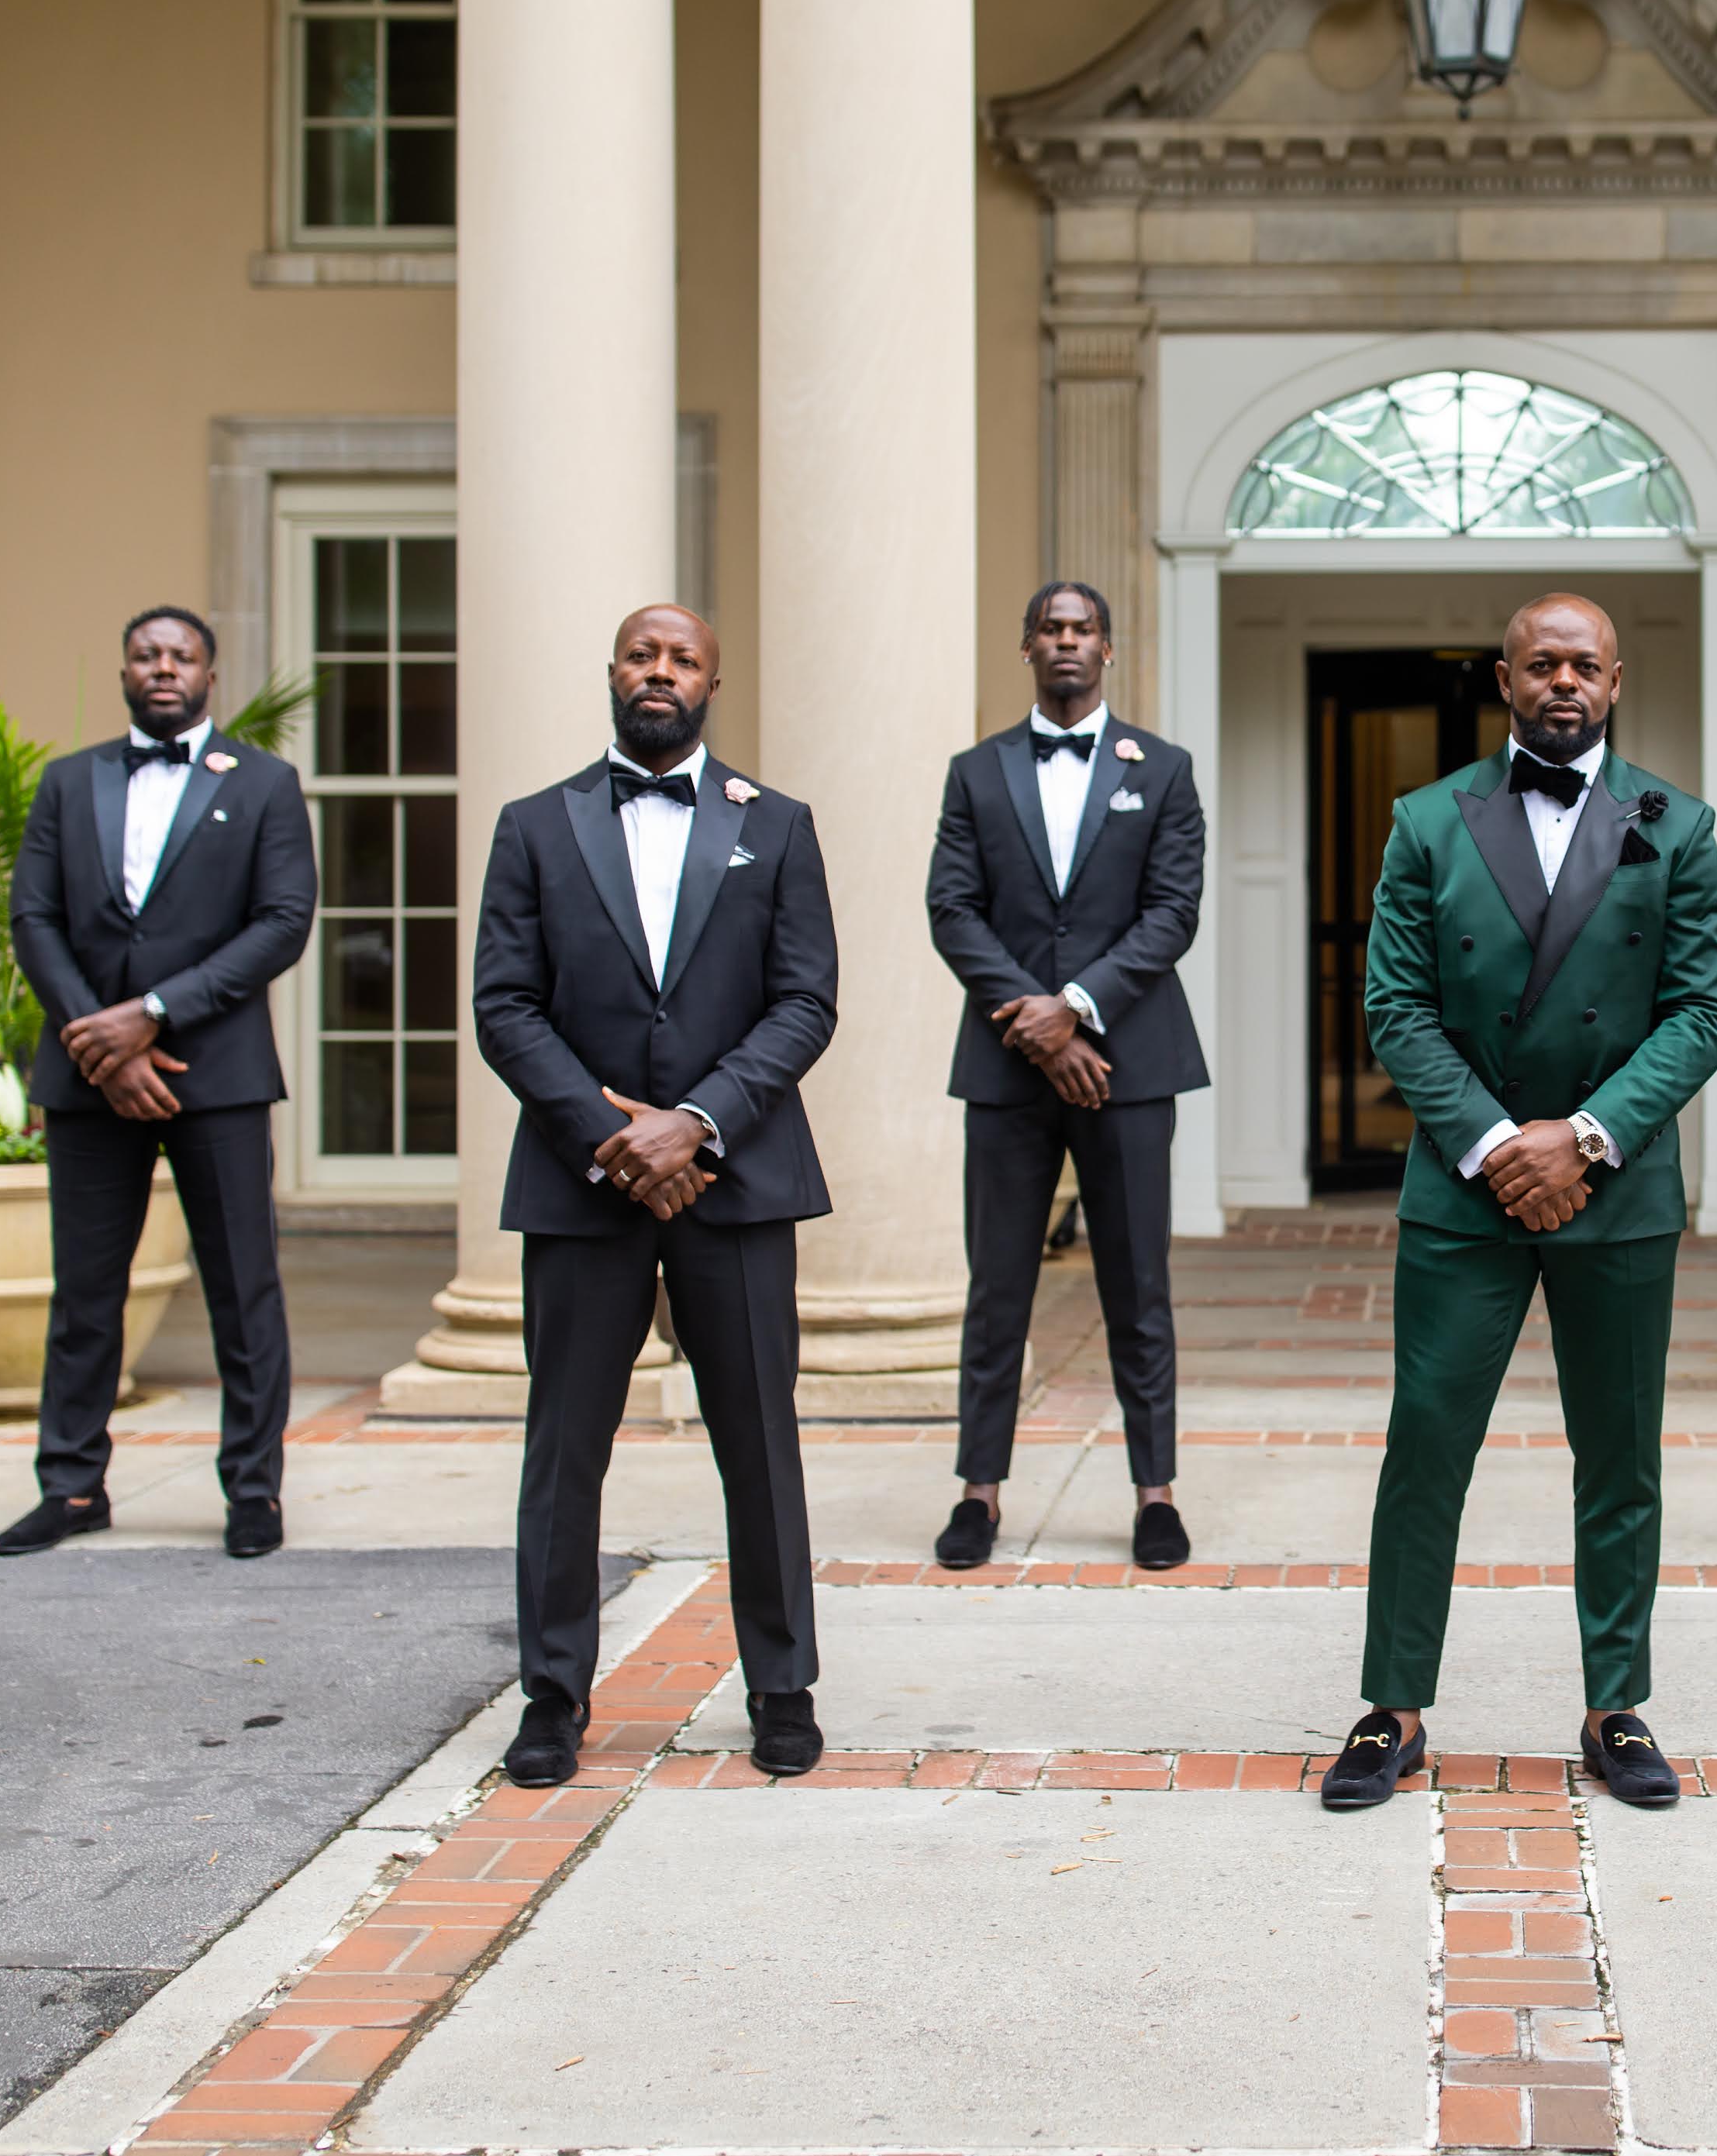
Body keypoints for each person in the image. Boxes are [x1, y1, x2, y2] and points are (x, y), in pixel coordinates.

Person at [1319, 594, 1717, 1814]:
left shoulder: (1680, 825)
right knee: (1425, 1448)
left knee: (1619, 1459)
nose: (1564, 682)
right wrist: (1502, 1144)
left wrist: (1587, 1138)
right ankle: (1390, 1708)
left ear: (1617, 680)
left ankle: (1617, 1705)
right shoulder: (1426, 821)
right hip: (1466, 1191)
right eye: (1540, 664)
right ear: (1503, 680)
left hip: (1616, 1192)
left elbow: (1701, 1010)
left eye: (1584, 666)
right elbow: (1393, 1004)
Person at [472, 604, 840, 1788]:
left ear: (713, 681)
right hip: (585, 1190)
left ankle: (782, 1687)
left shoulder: (776, 828)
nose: (660, 672)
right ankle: (552, 1695)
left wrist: (698, 1123)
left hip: (735, 1183)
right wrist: (610, 1130)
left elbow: (804, 1000)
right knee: (563, 1452)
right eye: (643, 653)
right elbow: (505, 1003)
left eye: (682, 658)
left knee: (761, 1447)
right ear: (614, 672)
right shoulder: (534, 826)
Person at [0, 608, 315, 1561]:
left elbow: (282, 921)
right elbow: (33, 917)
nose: (163, 668)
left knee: (242, 1287)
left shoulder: (263, 784)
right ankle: (71, 1486)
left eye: (181, 655)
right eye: (146, 654)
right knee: (86, 1290)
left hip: (215, 1073)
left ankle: (253, 1490)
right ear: (125, 669)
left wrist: (156, 1014)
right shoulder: (68, 780)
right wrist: (105, 1040)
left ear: (210, 673)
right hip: (89, 1075)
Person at [924, 580, 1208, 1571]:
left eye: (1082, 628)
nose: (1066, 642)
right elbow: (952, 910)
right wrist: (1039, 1027)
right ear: (1027, 645)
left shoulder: (1161, 770)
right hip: (1007, 1071)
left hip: (1129, 1065)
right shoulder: (976, 772)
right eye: (1049, 627)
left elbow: (1172, 912)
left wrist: (1078, 1006)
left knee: (1138, 1286)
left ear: (1108, 648)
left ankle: (1154, 1492)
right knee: (996, 1287)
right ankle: (979, 1491)